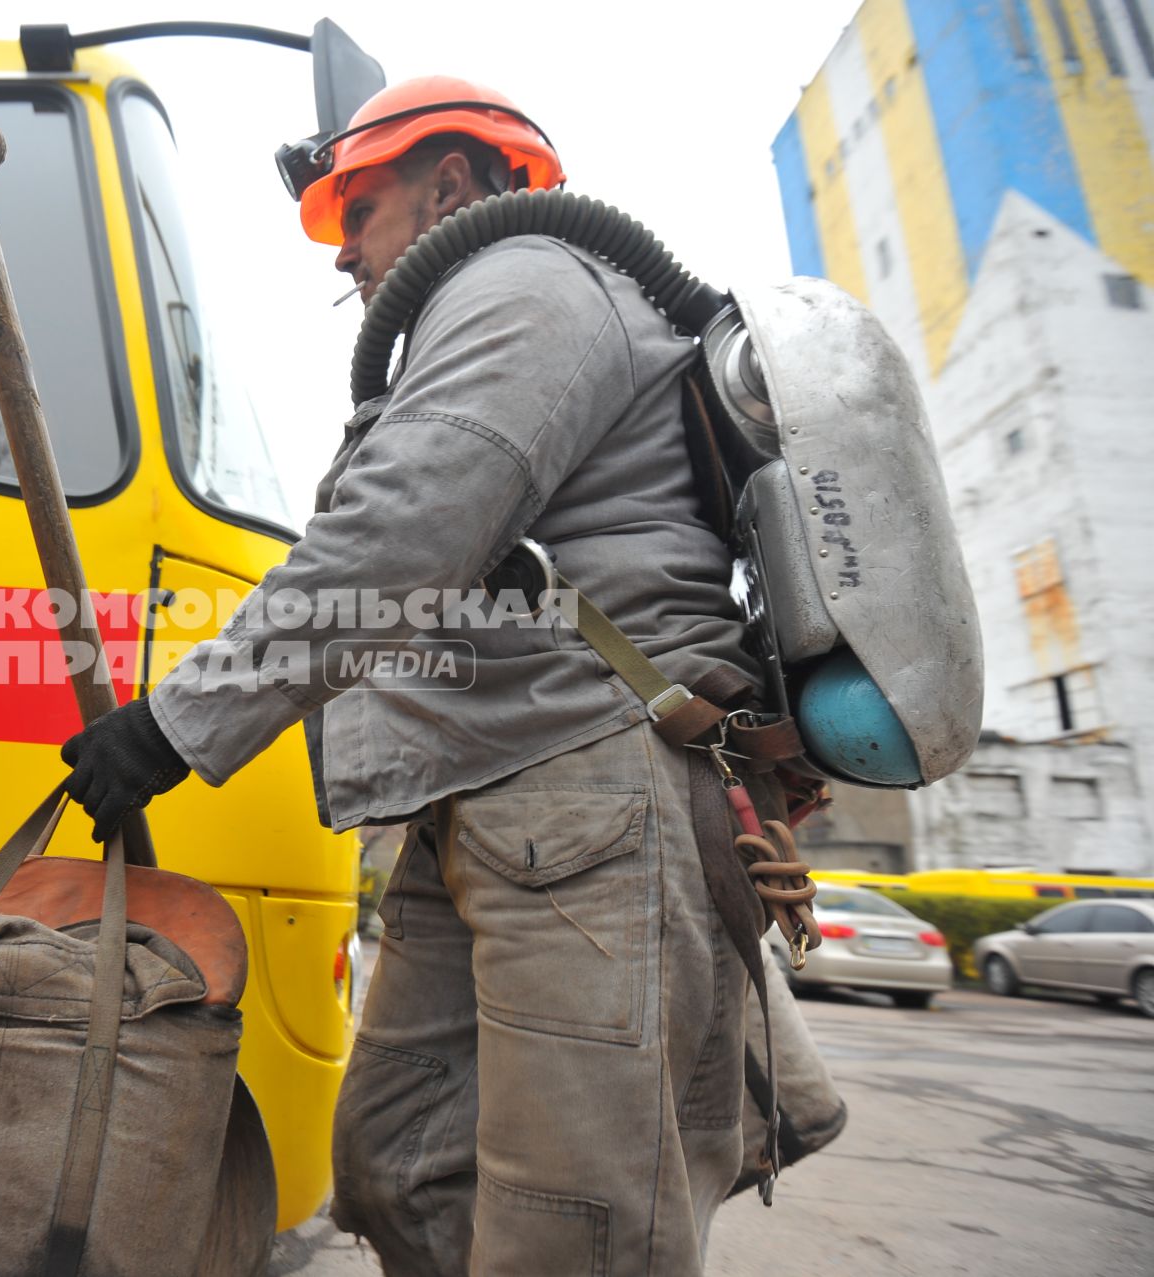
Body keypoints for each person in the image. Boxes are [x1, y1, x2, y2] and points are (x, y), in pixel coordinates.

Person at [61, 75, 761, 1275]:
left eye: (362, 214)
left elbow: (402, 531)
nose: (348, 260)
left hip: (586, 791)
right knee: (397, 1161)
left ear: (450, 184)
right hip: (497, 796)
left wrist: (175, 725)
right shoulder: (488, 310)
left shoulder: (526, 281)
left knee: (576, 1224)